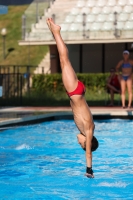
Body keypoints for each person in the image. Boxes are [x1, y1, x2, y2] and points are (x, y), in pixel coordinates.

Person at [46, 18, 99, 178]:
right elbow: (89, 153)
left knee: (64, 62)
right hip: (75, 92)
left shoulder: (87, 129)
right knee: (64, 61)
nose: (79, 143)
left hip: (78, 92)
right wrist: (89, 170)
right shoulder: (88, 131)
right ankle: (56, 32)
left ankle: (55, 33)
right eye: (82, 144)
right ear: (87, 142)